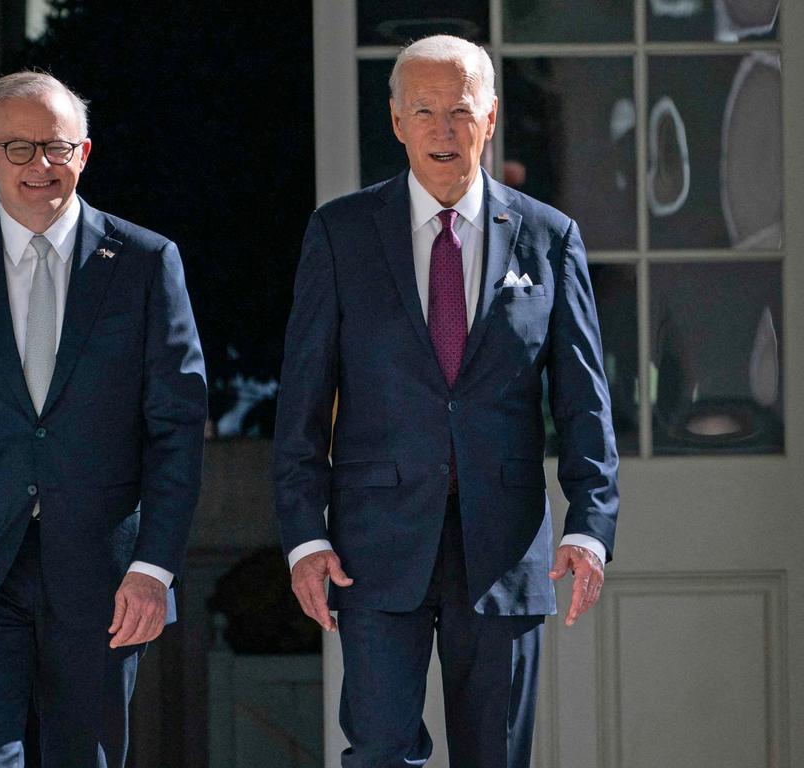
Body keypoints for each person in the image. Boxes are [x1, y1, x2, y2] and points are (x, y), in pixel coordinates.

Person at [273, 35, 619, 768]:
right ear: (395, 122)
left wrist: (591, 524)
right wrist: (305, 536)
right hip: (373, 548)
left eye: (459, 110)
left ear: (489, 118)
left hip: (504, 544)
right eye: (422, 111)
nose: (442, 128)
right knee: (379, 753)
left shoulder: (549, 237)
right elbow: (303, 399)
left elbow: (584, 396)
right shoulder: (340, 233)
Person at [0, 71, 207, 767]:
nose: (39, 166)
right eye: (17, 149)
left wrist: (154, 568)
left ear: (84, 153)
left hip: (104, 578)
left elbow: (176, 429)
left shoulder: (145, 264)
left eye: (55, 146)